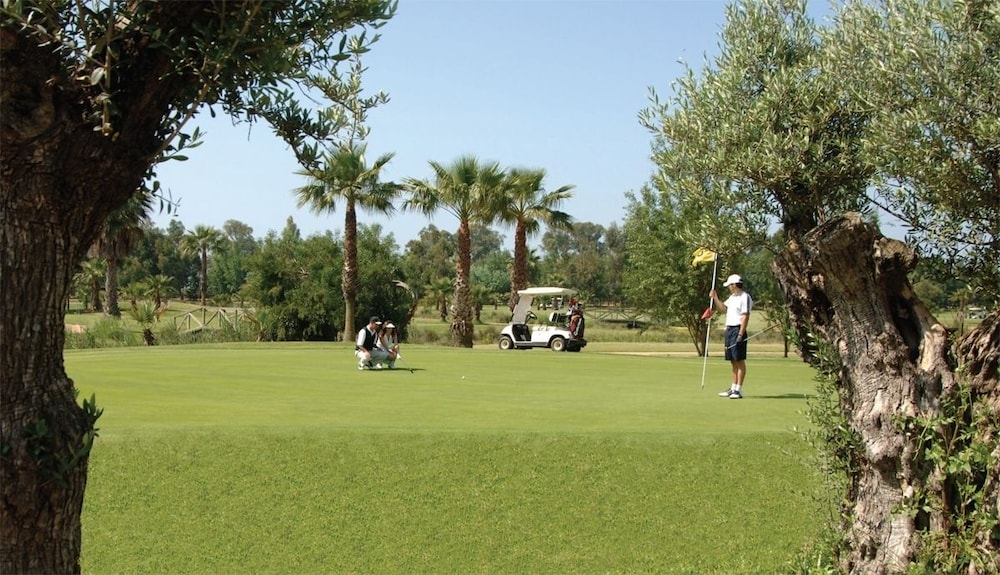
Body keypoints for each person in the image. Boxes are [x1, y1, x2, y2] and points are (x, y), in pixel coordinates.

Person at [710, 274, 753, 399]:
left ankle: (738, 389)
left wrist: (740, 334)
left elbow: (745, 316)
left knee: (739, 360)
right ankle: (733, 388)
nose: (728, 287)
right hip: (729, 330)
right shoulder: (732, 297)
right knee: (732, 360)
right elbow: (723, 308)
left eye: (729, 285)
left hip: (738, 329)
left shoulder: (745, 297)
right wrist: (715, 297)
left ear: (734, 285)